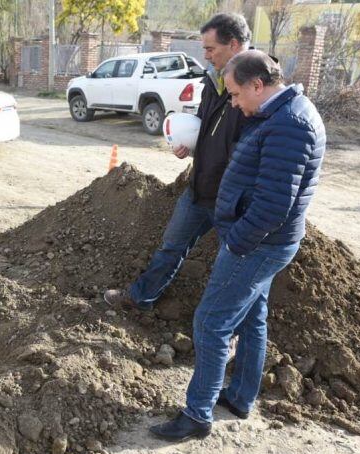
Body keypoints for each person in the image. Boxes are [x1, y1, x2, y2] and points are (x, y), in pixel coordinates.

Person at [150, 50, 326, 441]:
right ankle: (240, 397)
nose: (232, 103)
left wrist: (236, 243)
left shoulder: (291, 124)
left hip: (257, 245)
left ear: (257, 85)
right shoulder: (279, 113)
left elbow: (274, 205)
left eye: (234, 94)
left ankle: (197, 415)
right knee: (252, 317)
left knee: (211, 322)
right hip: (261, 243)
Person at [104, 13, 251, 310]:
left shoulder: (258, 86)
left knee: (235, 269)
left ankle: (229, 331)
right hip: (200, 187)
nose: (206, 56)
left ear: (234, 44)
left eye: (211, 49)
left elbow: (254, 148)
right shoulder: (214, 80)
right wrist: (191, 141)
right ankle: (140, 298)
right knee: (170, 247)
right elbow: (208, 125)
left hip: (235, 200)